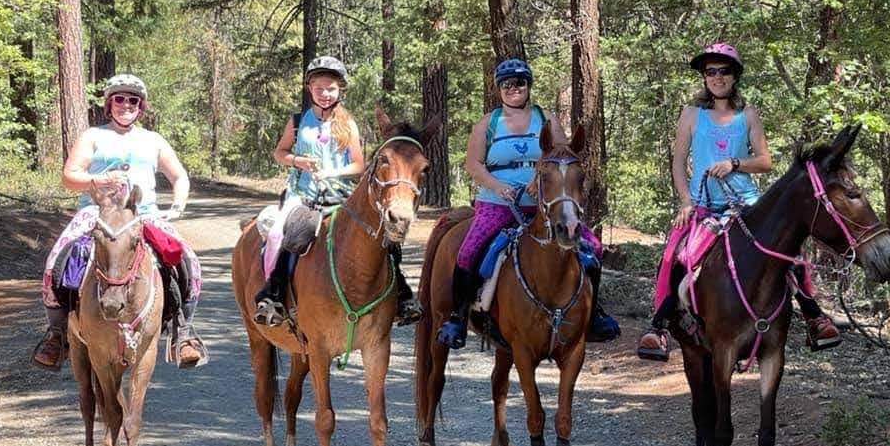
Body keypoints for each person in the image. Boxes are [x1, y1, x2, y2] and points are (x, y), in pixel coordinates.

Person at [636, 43, 841, 361]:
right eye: (711, 72)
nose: (717, 77)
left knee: (788, 251)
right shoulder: (691, 114)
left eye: (724, 71)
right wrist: (686, 201)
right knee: (678, 254)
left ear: (735, 76)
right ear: (704, 77)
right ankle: (659, 326)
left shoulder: (749, 114)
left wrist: (734, 163)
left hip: (745, 204)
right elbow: (678, 163)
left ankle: (813, 316)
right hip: (704, 204)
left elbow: (765, 161)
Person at [436, 58, 621, 349]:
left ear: (528, 86)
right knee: (469, 251)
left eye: (520, 82)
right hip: (498, 203)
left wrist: (539, 183)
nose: (514, 88)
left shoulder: (546, 119)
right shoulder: (488, 123)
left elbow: (562, 156)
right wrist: (499, 186)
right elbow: (473, 165)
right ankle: (457, 317)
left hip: (543, 205)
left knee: (592, 247)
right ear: (499, 89)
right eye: (507, 84)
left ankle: (594, 312)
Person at [31, 74, 206, 370]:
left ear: (141, 106)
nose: (126, 105)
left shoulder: (153, 140)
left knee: (187, 260)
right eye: (120, 99)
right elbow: (69, 176)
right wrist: (96, 180)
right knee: (55, 263)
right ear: (110, 104)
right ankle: (57, 334)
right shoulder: (93, 136)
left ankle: (184, 333)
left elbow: (179, 176)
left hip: (143, 214)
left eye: (133, 100)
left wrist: (177, 205)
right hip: (97, 213)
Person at [253, 55, 422, 326]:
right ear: (310, 89)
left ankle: (402, 294)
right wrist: (298, 161)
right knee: (283, 234)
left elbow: (359, 165)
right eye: (319, 88)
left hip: (341, 196)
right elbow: (279, 153)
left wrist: (332, 172)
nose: (325, 94)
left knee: (383, 234)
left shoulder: (348, 124)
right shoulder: (297, 121)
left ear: (339, 89)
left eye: (330, 88)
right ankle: (274, 293)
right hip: (303, 195)